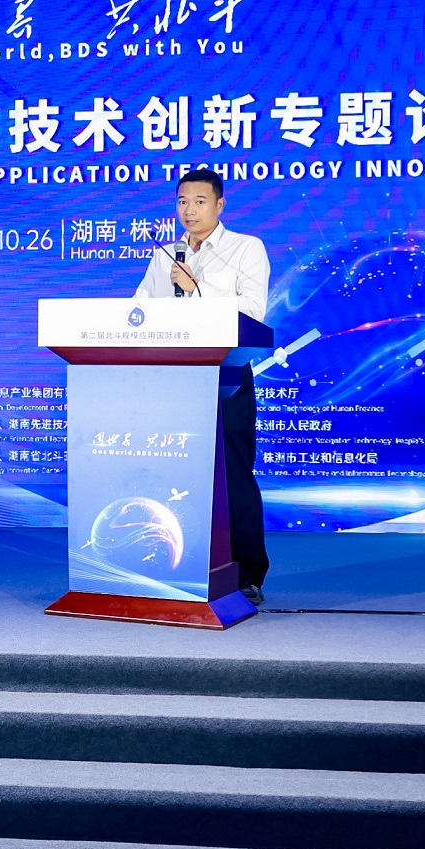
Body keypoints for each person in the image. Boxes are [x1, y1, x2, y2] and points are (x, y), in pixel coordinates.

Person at [134, 168, 272, 605]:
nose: (189, 210)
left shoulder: (246, 249)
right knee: (175, 471)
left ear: (219, 204)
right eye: (182, 202)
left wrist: (198, 288)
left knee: (232, 472)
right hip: (174, 376)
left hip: (226, 374)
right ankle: (181, 565)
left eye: (199, 201)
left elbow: (253, 311)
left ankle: (247, 573)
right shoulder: (166, 256)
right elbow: (140, 307)